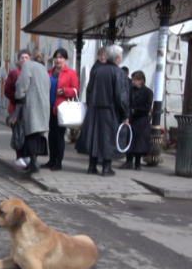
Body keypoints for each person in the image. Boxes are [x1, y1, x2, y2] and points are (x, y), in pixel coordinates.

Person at [75, 45, 130, 177]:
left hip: (94, 109)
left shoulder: (96, 71)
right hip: (110, 111)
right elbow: (121, 96)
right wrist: (125, 114)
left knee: (95, 137)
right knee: (108, 138)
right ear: (117, 58)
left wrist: (91, 106)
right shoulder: (119, 73)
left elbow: (89, 90)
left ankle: (92, 166)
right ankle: (106, 167)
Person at [41, 48, 79, 171]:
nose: (58, 60)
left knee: (58, 136)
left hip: (61, 110)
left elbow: (75, 90)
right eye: (56, 57)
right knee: (51, 136)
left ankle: (58, 161)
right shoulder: (49, 72)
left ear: (65, 59)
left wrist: (64, 91)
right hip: (49, 108)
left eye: (61, 57)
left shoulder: (71, 73)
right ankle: (51, 160)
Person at [15, 49, 50, 175]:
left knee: (30, 134)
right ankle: (33, 162)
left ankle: (34, 163)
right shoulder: (43, 69)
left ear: (31, 57)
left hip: (32, 105)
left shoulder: (28, 65)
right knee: (38, 135)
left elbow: (21, 83)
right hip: (43, 107)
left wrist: (19, 96)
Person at [119, 70, 153, 171]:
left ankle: (137, 163)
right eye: (132, 79)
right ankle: (128, 161)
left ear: (141, 80)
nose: (133, 81)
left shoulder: (148, 92)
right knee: (129, 140)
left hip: (141, 121)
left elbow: (147, 106)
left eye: (135, 79)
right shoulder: (130, 90)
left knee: (139, 142)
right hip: (131, 120)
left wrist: (135, 110)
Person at [4, 49, 31, 168]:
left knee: (28, 133)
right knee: (18, 133)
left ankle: (27, 155)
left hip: (29, 108)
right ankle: (19, 156)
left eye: (26, 57)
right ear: (18, 60)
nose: (24, 60)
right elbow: (7, 90)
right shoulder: (14, 73)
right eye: (22, 58)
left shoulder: (32, 71)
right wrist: (17, 99)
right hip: (16, 109)